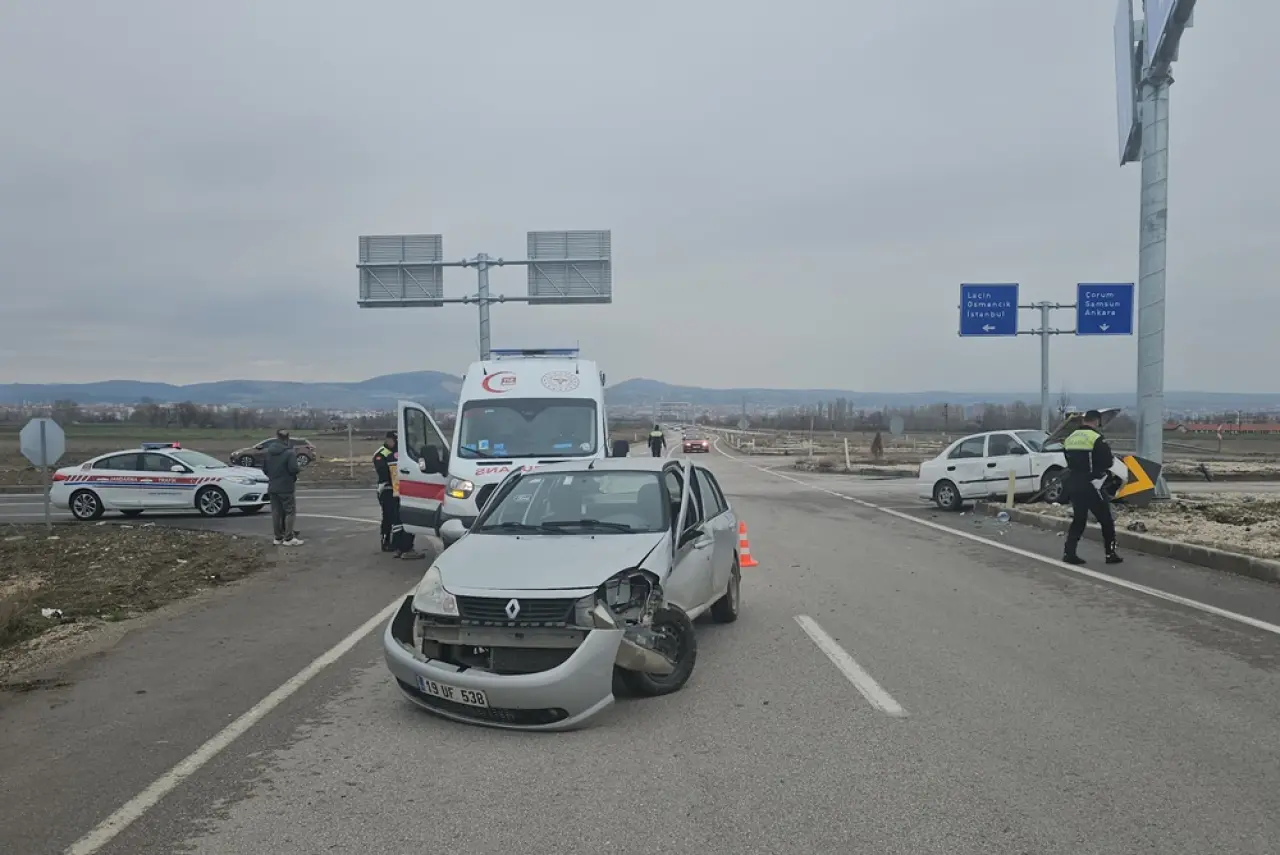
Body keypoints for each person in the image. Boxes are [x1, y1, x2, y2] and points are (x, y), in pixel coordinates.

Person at [1062, 410, 1122, 566]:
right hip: (1092, 484)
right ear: (1096, 421)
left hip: (1074, 483)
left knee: (1079, 519)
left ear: (1084, 420)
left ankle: (1069, 552)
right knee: (1106, 520)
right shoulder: (1096, 438)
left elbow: (1067, 459)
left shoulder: (1070, 438)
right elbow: (1108, 462)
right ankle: (1110, 553)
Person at [373, 431, 422, 560]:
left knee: (397, 518)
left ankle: (397, 545)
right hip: (387, 489)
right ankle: (386, 541)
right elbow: (382, 472)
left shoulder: (401, 452)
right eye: (393, 440)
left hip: (399, 489)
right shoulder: (381, 453)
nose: (395, 443)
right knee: (388, 517)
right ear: (388, 440)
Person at [263, 429, 303, 547]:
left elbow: (264, 469)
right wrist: (297, 471)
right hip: (286, 486)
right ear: (287, 438)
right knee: (290, 511)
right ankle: (288, 538)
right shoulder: (289, 453)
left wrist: (273, 477)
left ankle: (278, 537)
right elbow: (293, 469)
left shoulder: (268, 452)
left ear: (277, 437)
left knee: (276, 512)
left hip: (272, 486)